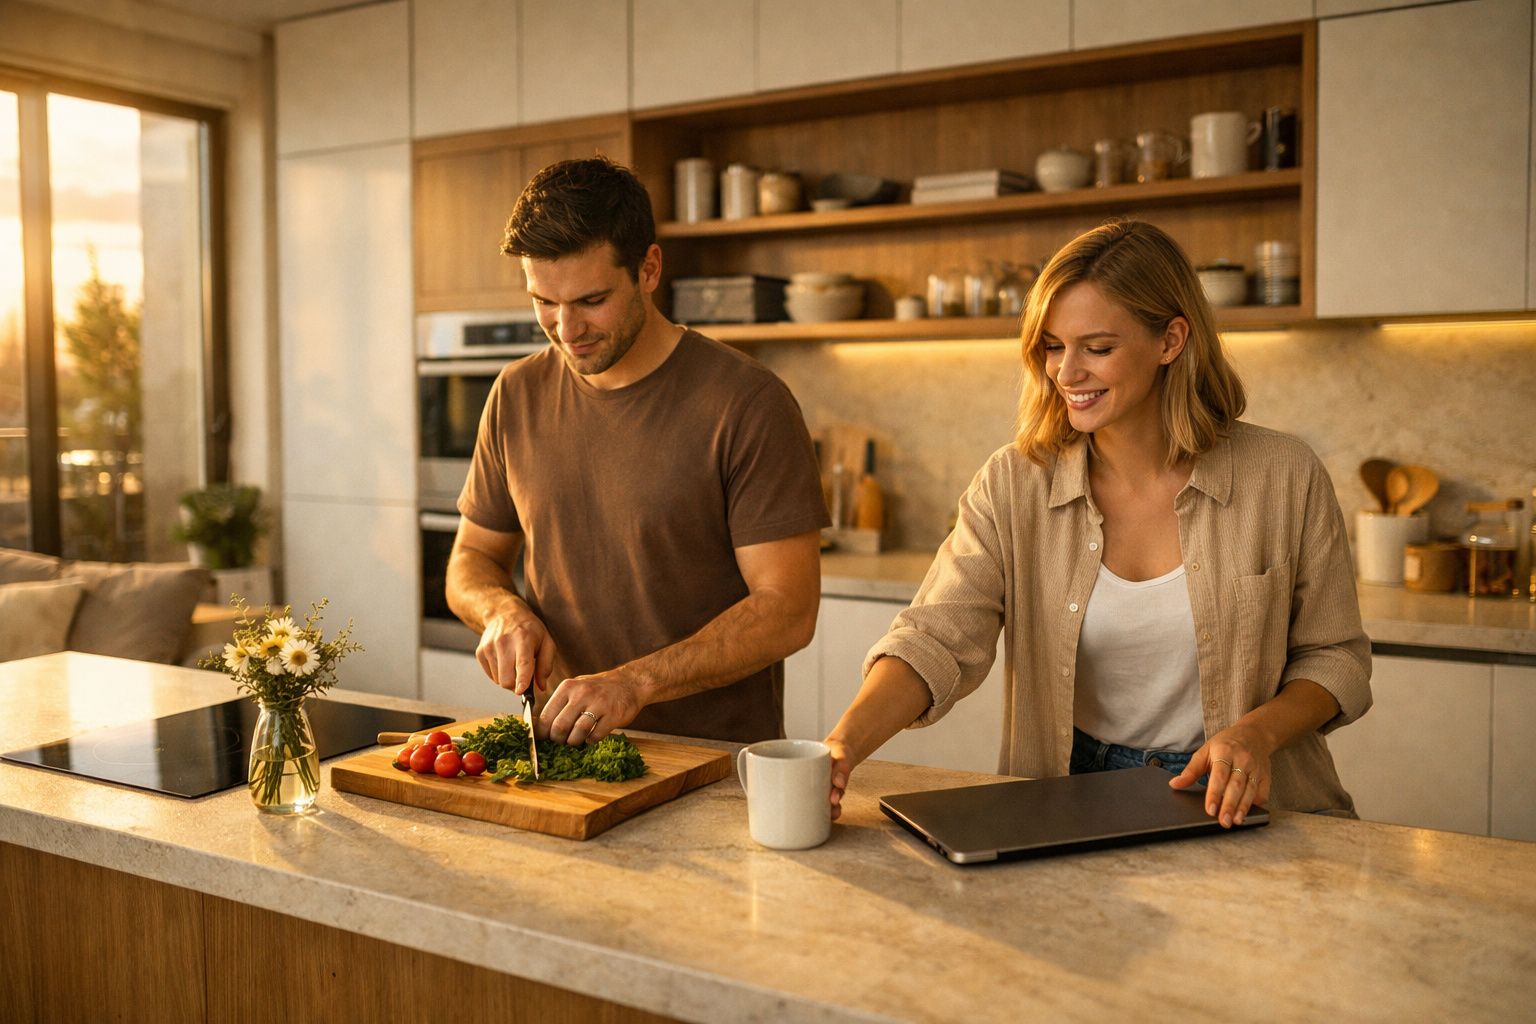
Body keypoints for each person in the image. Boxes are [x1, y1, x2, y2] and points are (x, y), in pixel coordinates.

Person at [825, 220, 1371, 828]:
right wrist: (842, 747)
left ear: (1171, 341)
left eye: (1098, 348)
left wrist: (1257, 734)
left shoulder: (1283, 475)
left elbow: (1335, 657)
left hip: (1244, 801)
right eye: (1053, 346)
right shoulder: (1014, 483)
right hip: (1067, 794)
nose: (1065, 372)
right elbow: (934, 638)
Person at [446, 157, 827, 745]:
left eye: (591, 301)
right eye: (544, 302)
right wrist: (500, 610)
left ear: (648, 270)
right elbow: (470, 560)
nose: (565, 329)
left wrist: (635, 684)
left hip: (710, 765)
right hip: (564, 755)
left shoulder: (748, 402)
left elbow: (788, 608)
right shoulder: (515, 394)